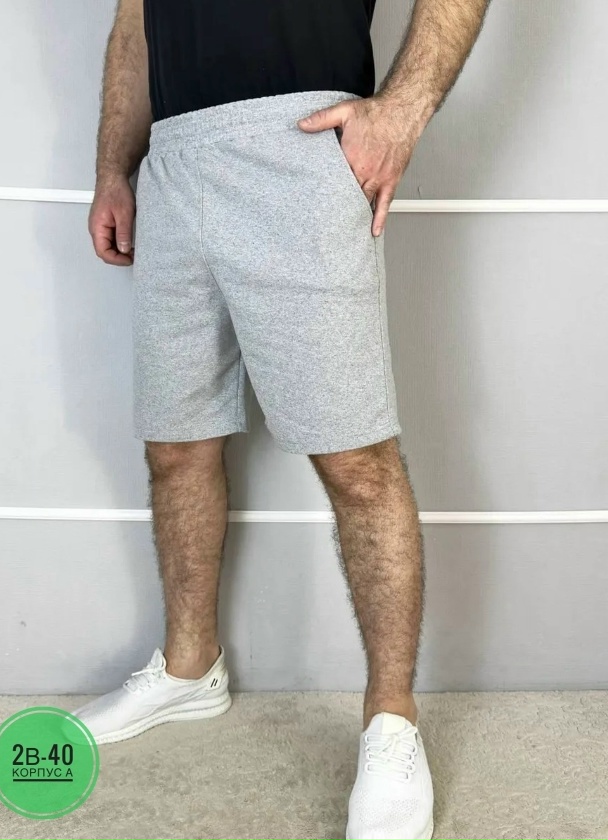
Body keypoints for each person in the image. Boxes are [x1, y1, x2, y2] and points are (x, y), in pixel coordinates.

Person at [80, 1, 490, 837]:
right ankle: (189, 669)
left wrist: (401, 112)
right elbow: (133, 21)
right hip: (173, 160)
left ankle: (392, 721)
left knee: (356, 460)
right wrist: (115, 170)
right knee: (176, 443)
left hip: (301, 143)